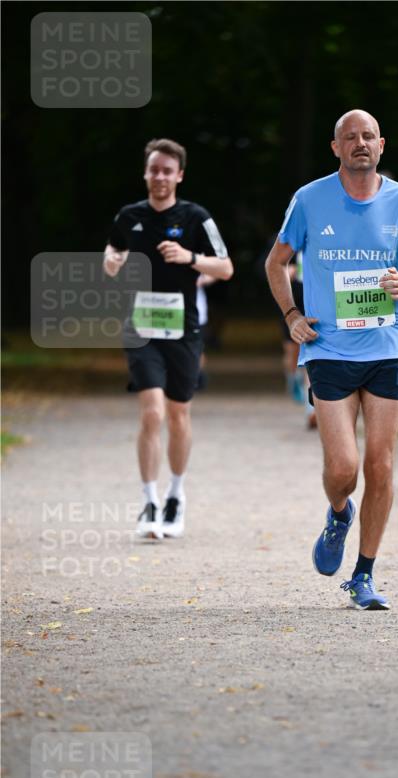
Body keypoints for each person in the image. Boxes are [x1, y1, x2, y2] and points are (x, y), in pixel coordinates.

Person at [265, 109, 398, 609]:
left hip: (388, 345)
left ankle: (362, 575)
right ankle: (339, 512)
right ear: (336, 147)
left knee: (380, 467)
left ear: (382, 145)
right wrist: (291, 315)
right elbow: (275, 262)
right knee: (344, 468)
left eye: (368, 136)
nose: (360, 143)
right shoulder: (309, 199)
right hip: (328, 348)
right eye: (350, 137)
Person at [103, 138, 233, 539]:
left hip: (183, 331)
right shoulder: (128, 216)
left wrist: (189, 257)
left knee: (178, 415)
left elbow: (226, 268)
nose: (159, 176)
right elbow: (110, 257)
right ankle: (150, 500)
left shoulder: (196, 218)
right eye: (153, 169)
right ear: (145, 172)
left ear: (179, 175)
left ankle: (176, 494)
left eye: (167, 170)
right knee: (152, 413)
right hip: (142, 330)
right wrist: (110, 261)